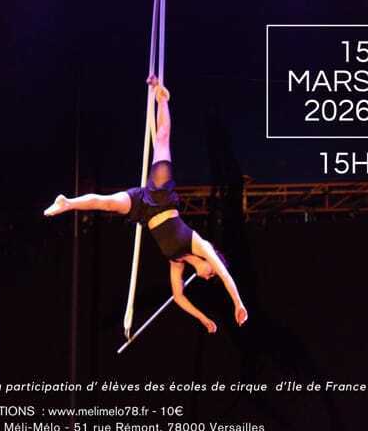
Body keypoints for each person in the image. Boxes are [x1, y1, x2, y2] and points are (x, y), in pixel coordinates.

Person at [44, 77, 248, 333]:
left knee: (107, 204)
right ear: (211, 260)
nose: (209, 276)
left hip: (144, 209)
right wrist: (238, 303)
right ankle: (163, 99)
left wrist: (202, 318)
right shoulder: (201, 245)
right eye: (212, 272)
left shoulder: (177, 262)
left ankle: (67, 203)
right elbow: (226, 276)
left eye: (211, 276)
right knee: (161, 139)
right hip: (162, 198)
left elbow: (178, 297)